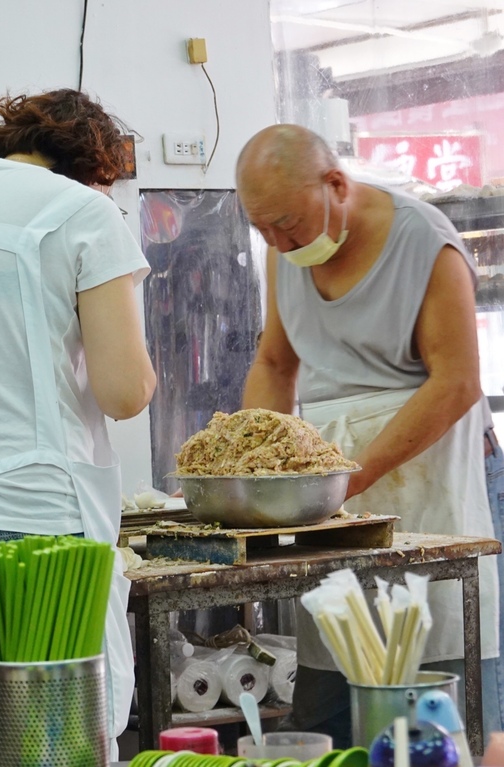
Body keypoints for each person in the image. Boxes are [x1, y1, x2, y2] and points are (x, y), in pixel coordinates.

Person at [236, 123, 504, 745]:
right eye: (262, 229)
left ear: (336, 185)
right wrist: (256, 466)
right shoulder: (285, 248)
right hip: (333, 495)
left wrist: (353, 477)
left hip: (427, 477)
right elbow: (275, 364)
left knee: (438, 695)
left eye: (288, 226)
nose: (278, 242)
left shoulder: (423, 240)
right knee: (333, 678)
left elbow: (458, 381)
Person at [0, 88, 156, 764]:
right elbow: (123, 391)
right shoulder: (83, 212)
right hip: (39, 541)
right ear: (97, 166)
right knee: (45, 746)